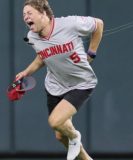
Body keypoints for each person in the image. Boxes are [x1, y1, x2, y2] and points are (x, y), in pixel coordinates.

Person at [17, 0, 103, 159]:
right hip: (55, 86)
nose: (25, 17)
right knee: (60, 136)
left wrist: (91, 53)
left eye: (29, 13)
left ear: (43, 13)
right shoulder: (32, 36)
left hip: (80, 83)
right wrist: (26, 72)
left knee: (55, 121)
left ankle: (75, 136)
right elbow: (42, 58)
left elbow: (98, 24)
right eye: (23, 14)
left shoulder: (69, 24)